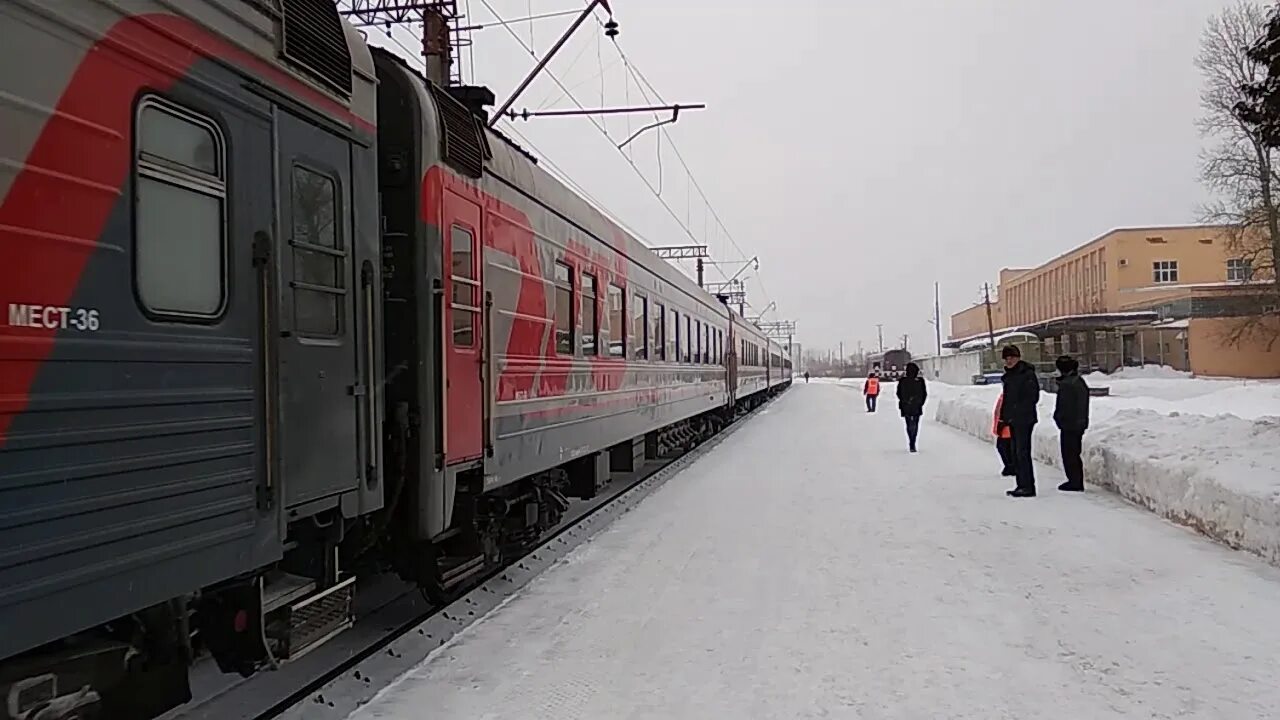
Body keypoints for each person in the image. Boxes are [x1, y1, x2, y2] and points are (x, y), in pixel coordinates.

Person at [999, 344, 1040, 497]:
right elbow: (1007, 399)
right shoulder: (1010, 375)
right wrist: (1003, 417)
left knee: (1022, 452)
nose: (1009, 361)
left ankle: (1028, 486)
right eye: (1006, 358)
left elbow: (1032, 397)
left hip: (1024, 419)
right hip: (1012, 419)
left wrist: (1017, 411)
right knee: (1015, 452)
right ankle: (1021, 484)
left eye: (1012, 357)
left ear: (1018, 358)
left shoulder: (1026, 374)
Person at [1053, 354, 1090, 492]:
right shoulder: (1073, 382)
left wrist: (1076, 421)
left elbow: (1076, 405)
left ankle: (1075, 481)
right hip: (1070, 423)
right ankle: (1074, 479)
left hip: (1072, 424)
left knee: (1071, 453)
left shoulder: (1072, 384)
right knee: (1070, 453)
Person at [896, 362, 927, 452]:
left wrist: (904, 401)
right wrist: (920, 403)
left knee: (909, 424)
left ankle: (911, 442)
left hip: (906, 406)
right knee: (916, 425)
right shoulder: (920, 381)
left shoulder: (903, 381)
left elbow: (899, 393)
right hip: (917, 406)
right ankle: (913, 441)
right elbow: (924, 394)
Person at [992, 392, 1014, 476]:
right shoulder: (1005, 394)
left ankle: (1010, 466)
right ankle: (1009, 466)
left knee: (1004, 447)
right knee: (1002, 446)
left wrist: (1003, 420)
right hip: (1003, 425)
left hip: (1006, 425)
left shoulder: (1009, 394)